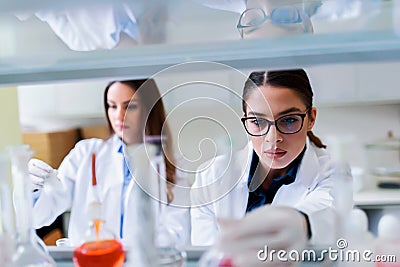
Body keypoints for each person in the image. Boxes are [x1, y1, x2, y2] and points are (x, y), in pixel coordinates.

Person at [191, 69, 353, 252]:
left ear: (311, 118)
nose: (273, 138)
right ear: (245, 120)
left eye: (289, 120)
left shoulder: (332, 172)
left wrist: (294, 223)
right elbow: (202, 257)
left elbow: (323, 215)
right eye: (258, 122)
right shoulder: (211, 176)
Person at [29, 79, 190, 246]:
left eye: (130, 106)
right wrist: (33, 188)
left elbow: (177, 234)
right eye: (112, 106)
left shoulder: (172, 164)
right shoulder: (85, 154)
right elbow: (38, 217)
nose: (119, 116)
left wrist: (124, 250)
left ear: (149, 110)